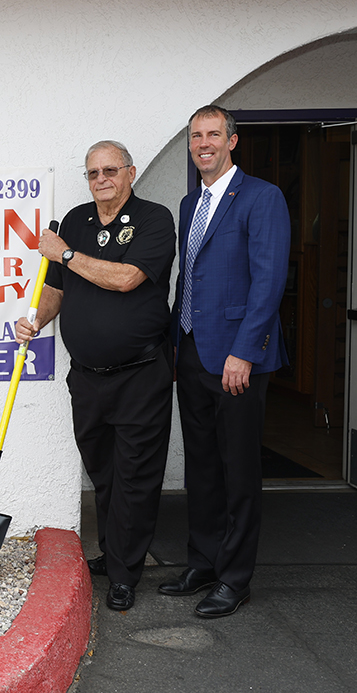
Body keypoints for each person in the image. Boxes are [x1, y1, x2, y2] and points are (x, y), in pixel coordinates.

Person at [16, 140, 175, 611]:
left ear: (129, 172)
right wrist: (37, 320)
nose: (100, 179)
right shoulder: (76, 221)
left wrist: (64, 254)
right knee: (102, 470)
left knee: (135, 474)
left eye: (109, 170)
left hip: (140, 374)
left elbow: (127, 278)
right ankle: (115, 551)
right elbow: (55, 290)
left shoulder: (154, 219)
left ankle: (126, 572)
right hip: (87, 377)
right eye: (92, 173)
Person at [161, 105, 290, 617]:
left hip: (237, 358)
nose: (204, 143)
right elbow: (188, 282)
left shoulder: (262, 197)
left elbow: (269, 281)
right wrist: (174, 344)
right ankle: (204, 561)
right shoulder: (190, 203)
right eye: (196, 136)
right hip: (191, 352)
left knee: (238, 471)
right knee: (203, 466)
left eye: (214, 134)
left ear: (232, 141)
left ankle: (235, 579)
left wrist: (244, 351)